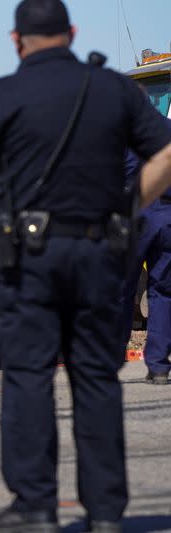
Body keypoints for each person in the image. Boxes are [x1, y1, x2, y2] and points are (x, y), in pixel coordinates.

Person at [0, 0, 171, 531]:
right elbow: (166, 153)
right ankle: (104, 513)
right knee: (97, 379)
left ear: (16, 40)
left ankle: (35, 506)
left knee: (29, 376)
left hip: (27, 259)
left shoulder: (3, 96)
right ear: (72, 33)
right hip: (100, 253)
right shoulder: (117, 89)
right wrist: (127, 207)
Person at [121, 119, 171, 385]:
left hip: (133, 217)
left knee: (121, 289)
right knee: (163, 292)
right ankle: (159, 367)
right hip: (166, 216)